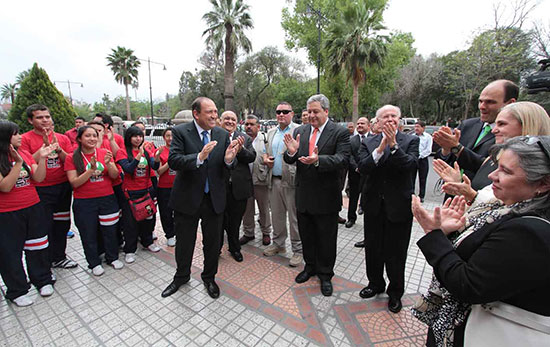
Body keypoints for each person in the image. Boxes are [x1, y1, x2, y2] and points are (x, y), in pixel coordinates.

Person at [411, 136, 550, 347]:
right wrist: (450, 233)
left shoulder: (530, 231)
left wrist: (433, 234)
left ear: (542, 183)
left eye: (506, 171)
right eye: (497, 167)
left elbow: (467, 284)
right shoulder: (507, 208)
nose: (492, 176)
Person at [161, 97, 242, 299]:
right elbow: (174, 161)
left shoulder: (223, 135)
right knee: (185, 242)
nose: (215, 116)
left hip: (213, 199)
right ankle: (181, 277)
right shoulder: (181, 132)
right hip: (187, 199)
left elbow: (227, 165)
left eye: (216, 111)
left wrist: (229, 160)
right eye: (209, 112)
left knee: (213, 243)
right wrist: (199, 157)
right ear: (196, 114)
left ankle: (209, 277)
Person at [283, 94, 350, 296]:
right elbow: (289, 158)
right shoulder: (300, 131)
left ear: (326, 111)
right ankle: (309, 267)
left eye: (316, 111)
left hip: (326, 197)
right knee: (307, 236)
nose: (311, 115)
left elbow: (343, 159)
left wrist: (318, 160)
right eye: (309, 111)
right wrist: (292, 152)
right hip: (303, 195)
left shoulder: (339, 132)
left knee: (326, 239)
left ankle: (325, 274)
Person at [358, 105, 419, 313]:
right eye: (386, 116)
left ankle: (395, 293)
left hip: (399, 207)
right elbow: (363, 168)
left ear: (400, 120)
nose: (391, 119)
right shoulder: (368, 142)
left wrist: (393, 146)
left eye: (394, 116)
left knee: (396, 252)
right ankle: (375, 284)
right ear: (378, 121)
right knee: (373, 249)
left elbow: (409, 166)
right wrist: (379, 150)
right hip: (374, 206)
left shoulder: (411, 141)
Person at [434, 102, 550, 204]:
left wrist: (470, 195)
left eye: (502, 124)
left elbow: (500, 209)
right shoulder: (495, 157)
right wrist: (460, 186)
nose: (494, 130)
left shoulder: (536, 167)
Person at [0, 121, 55, 306]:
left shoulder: (22, 153)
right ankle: (17, 290)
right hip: (8, 213)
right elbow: (5, 186)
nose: (20, 136)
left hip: (33, 206)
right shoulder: (14, 158)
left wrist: (43, 158)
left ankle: (43, 280)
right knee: (10, 252)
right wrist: (18, 164)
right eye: (15, 134)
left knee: (38, 245)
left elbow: (39, 177)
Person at [20, 104, 77, 269]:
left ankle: (59, 257)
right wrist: (44, 148)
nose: (45, 120)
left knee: (62, 224)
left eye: (47, 117)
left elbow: (70, 161)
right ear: (31, 120)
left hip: (62, 187)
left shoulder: (62, 138)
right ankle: (44, 265)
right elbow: (24, 163)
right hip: (39, 189)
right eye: (39, 117)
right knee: (42, 227)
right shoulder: (25, 139)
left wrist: (58, 149)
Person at [65, 126, 123, 275]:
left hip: (107, 198)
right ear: (79, 139)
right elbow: (74, 183)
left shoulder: (104, 153)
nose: (91, 139)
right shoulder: (72, 157)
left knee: (110, 230)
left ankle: (112, 257)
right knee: (88, 233)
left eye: (94, 136)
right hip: (84, 202)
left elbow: (115, 175)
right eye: (87, 136)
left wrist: (109, 163)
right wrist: (90, 170)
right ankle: (94, 263)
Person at [433, 80, 518, 180]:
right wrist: (446, 149)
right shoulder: (467, 125)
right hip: (453, 191)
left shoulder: (514, 133)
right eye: (480, 101)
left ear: (510, 103)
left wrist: (456, 148)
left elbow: (491, 168)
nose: (482, 107)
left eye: (490, 102)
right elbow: (444, 160)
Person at [263, 102, 303, 267]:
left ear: (292, 113)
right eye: (278, 111)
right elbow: (267, 151)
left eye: (285, 112)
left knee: (294, 218)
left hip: (292, 182)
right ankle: (279, 244)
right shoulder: (271, 132)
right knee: (277, 215)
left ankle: (298, 250)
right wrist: (266, 159)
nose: (281, 114)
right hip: (274, 180)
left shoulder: (299, 131)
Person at [116, 126, 161, 264]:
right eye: (135, 136)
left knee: (148, 218)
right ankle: (130, 249)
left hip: (146, 190)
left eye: (140, 136)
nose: (138, 139)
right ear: (129, 137)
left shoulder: (146, 151)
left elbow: (154, 166)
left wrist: (157, 158)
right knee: (130, 222)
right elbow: (128, 169)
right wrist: (137, 157)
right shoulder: (122, 152)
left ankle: (148, 242)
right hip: (130, 192)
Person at [219, 111, 256, 262]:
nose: (229, 121)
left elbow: (251, 157)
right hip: (219, 188)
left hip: (239, 188)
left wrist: (240, 150)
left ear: (237, 122)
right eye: (226, 118)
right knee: (218, 222)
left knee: (235, 222)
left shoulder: (245, 138)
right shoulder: (214, 137)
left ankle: (234, 248)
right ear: (220, 121)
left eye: (233, 119)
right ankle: (215, 249)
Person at [241, 115, 272, 246]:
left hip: (261, 180)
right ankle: (248, 233)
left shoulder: (265, 140)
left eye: (252, 124)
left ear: (258, 126)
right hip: (245, 181)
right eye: (246, 124)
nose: (248, 127)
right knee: (247, 209)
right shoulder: (241, 139)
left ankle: (266, 232)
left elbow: (271, 158)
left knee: (264, 208)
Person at [346, 117, 369, 229]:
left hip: (368, 174)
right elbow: (348, 156)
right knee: (353, 197)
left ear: (368, 126)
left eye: (362, 123)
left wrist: (365, 167)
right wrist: (356, 167)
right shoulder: (351, 140)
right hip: (354, 174)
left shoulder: (373, 139)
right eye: (358, 123)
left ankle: (368, 220)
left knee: (367, 198)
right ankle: (351, 218)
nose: (359, 125)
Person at [155, 128, 176, 247]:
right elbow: (159, 171)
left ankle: (177, 231)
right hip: (164, 187)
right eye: (168, 136)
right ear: (164, 137)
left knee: (179, 211)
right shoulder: (160, 151)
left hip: (179, 186)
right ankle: (169, 234)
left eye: (172, 136)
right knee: (166, 212)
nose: (170, 138)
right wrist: (170, 162)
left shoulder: (180, 150)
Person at [414, 121, 433, 203]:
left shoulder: (428, 137)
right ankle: (411, 194)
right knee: (411, 178)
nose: (416, 129)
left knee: (422, 179)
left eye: (418, 127)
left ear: (423, 128)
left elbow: (428, 150)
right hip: (413, 160)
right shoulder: (412, 136)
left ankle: (421, 196)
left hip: (423, 160)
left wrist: (420, 156)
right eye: (415, 127)